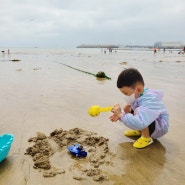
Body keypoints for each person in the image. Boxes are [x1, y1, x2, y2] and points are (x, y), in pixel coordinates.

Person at [109, 68, 169, 149]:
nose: (125, 96)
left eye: (126, 93)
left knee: (137, 111)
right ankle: (140, 131)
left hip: (159, 127)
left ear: (139, 89)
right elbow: (127, 111)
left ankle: (146, 138)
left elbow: (140, 122)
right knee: (129, 107)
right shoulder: (139, 94)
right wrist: (119, 115)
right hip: (147, 120)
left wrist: (121, 114)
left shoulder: (149, 101)